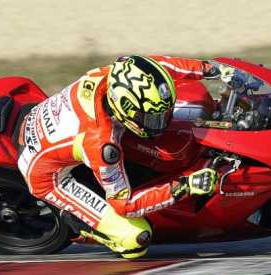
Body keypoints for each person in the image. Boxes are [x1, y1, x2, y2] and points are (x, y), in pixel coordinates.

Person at [17, 55, 231, 259]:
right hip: (47, 176)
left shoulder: (121, 73)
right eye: (152, 118)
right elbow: (125, 205)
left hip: (50, 124)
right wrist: (185, 186)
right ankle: (80, 224)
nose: (162, 122)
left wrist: (211, 69)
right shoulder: (102, 144)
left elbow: (160, 66)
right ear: (124, 109)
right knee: (135, 240)